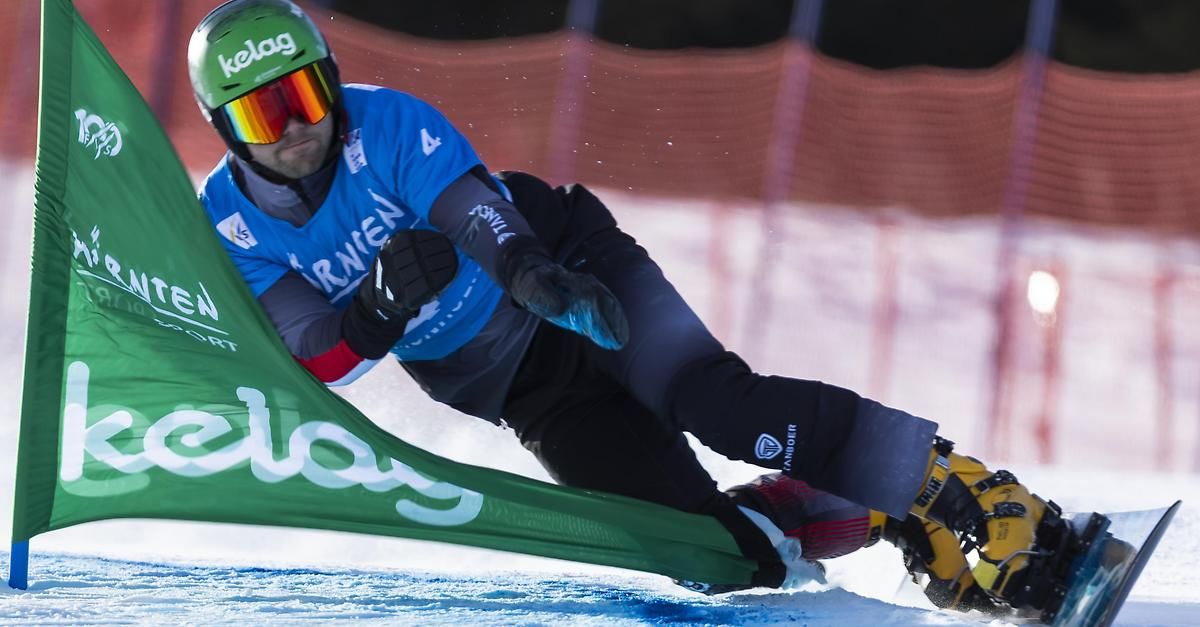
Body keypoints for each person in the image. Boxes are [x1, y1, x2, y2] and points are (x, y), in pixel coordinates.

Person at [188, 0, 1069, 617]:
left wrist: (540, 280)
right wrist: (372, 317)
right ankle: (868, 508)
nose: (298, 129)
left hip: (575, 277)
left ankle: (968, 493)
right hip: (519, 387)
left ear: (331, 82)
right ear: (227, 131)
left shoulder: (386, 125)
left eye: (304, 97)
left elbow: (478, 217)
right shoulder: (229, 226)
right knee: (709, 559)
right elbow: (313, 358)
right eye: (265, 117)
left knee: (719, 403)